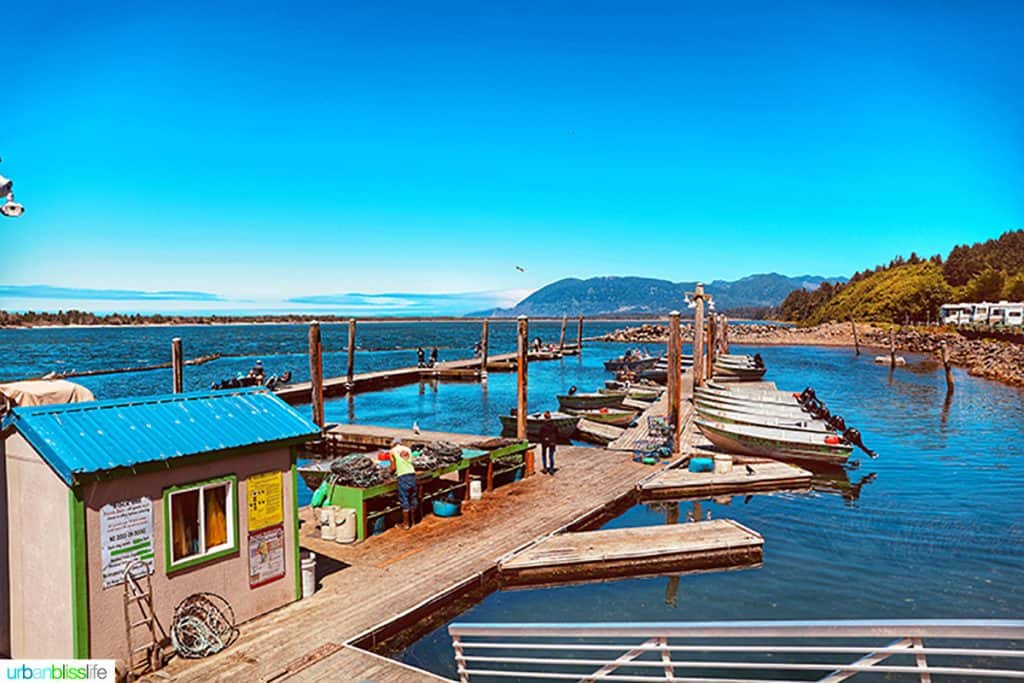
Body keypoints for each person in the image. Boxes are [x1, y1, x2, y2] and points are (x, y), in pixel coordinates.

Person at [388, 437, 418, 529]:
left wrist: (389, 473)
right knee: (412, 497)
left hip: (403, 476)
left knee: (404, 498)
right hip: (412, 475)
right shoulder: (408, 449)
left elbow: (393, 467)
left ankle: (405, 524)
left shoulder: (392, 451)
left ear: (394, 444)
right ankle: (413, 521)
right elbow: (410, 462)